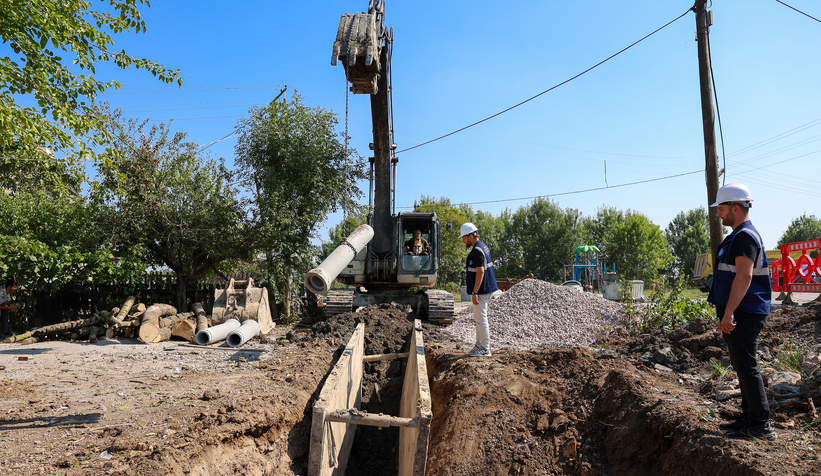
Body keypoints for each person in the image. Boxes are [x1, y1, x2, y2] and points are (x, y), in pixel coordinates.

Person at [707, 183, 776, 441]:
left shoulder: (745, 237)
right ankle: (749, 418)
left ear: (735, 208)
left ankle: (760, 425)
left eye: (721, 208)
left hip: (745, 311)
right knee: (741, 364)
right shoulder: (737, 236)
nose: (718, 214)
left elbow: (744, 277)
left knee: (747, 366)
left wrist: (729, 312)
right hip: (740, 311)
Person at [459, 222, 498, 357]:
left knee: (481, 319)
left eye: (464, 237)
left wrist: (475, 291)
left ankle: (485, 348)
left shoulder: (477, 250)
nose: (463, 240)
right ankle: (479, 345)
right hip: (484, 288)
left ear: (470, 236)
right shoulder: (482, 246)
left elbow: (480, 272)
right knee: (479, 318)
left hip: (481, 290)